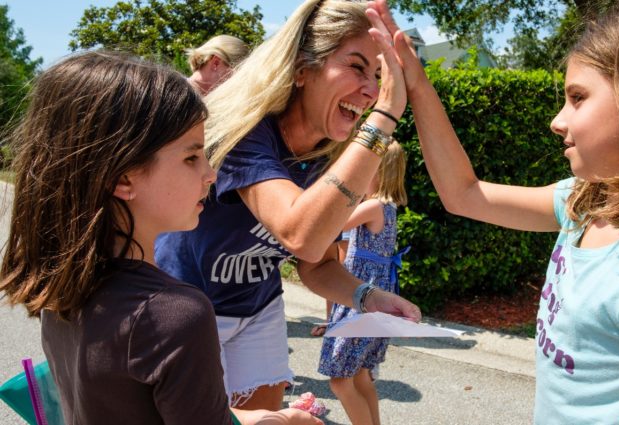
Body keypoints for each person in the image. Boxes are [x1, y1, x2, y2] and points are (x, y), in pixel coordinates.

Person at [367, 0, 619, 423]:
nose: (557, 120)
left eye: (577, 98)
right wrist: (419, 87)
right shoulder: (585, 202)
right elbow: (465, 194)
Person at [0, 51, 322, 425]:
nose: (210, 175)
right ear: (123, 178)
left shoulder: (64, 284)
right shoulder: (174, 314)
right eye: (191, 157)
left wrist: (266, 419)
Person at [155, 0, 421, 411]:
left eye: (379, 76)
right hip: (187, 307)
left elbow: (315, 261)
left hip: (257, 307)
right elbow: (298, 230)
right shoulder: (249, 133)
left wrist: (369, 297)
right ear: (302, 69)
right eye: (356, 67)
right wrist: (385, 115)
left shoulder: (327, 158)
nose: (371, 90)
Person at [318, 141, 408, 425]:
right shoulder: (388, 207)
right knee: (360, 375)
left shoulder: (372, 206)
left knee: (340, 381)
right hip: (375, 294)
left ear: (378, 171)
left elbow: (333, 222)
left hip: (361, 297)